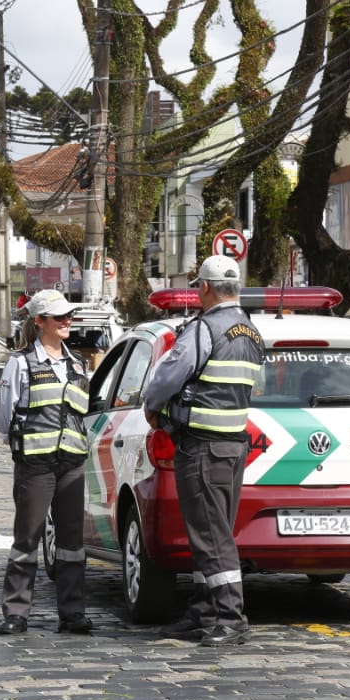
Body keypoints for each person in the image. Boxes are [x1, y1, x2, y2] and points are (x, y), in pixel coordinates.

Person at [143, 254, 264, 648]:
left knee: (211, 535)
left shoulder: (205, 328)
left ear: (206, 288)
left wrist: (153, 408)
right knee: (212, 531)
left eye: (198, 286)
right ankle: (204, 609)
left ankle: (230, 616)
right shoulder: (250, 330)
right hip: (230, 445)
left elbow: (167, 377)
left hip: (202, 446)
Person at [0, 288, 93, 636]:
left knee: (71, 543)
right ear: (39, 322)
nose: (67, 321)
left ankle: (72, 613)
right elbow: (4, 416)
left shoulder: (78, 363)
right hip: (35, 465)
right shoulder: (20, 363)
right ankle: (16, 613)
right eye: (59, 317)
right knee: (27, 538)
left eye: (69, 315)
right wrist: (23, 446)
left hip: (72, 464)